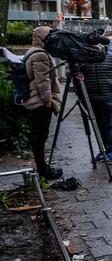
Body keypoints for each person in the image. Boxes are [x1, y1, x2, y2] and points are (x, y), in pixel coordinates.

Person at [23, 26, 62, 180]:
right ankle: (43, 170)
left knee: (38, 137)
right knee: (40, 137)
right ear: (43, 38)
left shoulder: (33, 51)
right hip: (39, 102)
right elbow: (43, 81)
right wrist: (48, 101)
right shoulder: (40, 55)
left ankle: (43, 168)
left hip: (34, 100)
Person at [78, 50, 112, 164]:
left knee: (110, 125)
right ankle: (103, 150)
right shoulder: (84, 60)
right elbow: (78, 78)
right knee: (98, 126)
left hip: (108, 97)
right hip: (91, 99)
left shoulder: (111, 58)